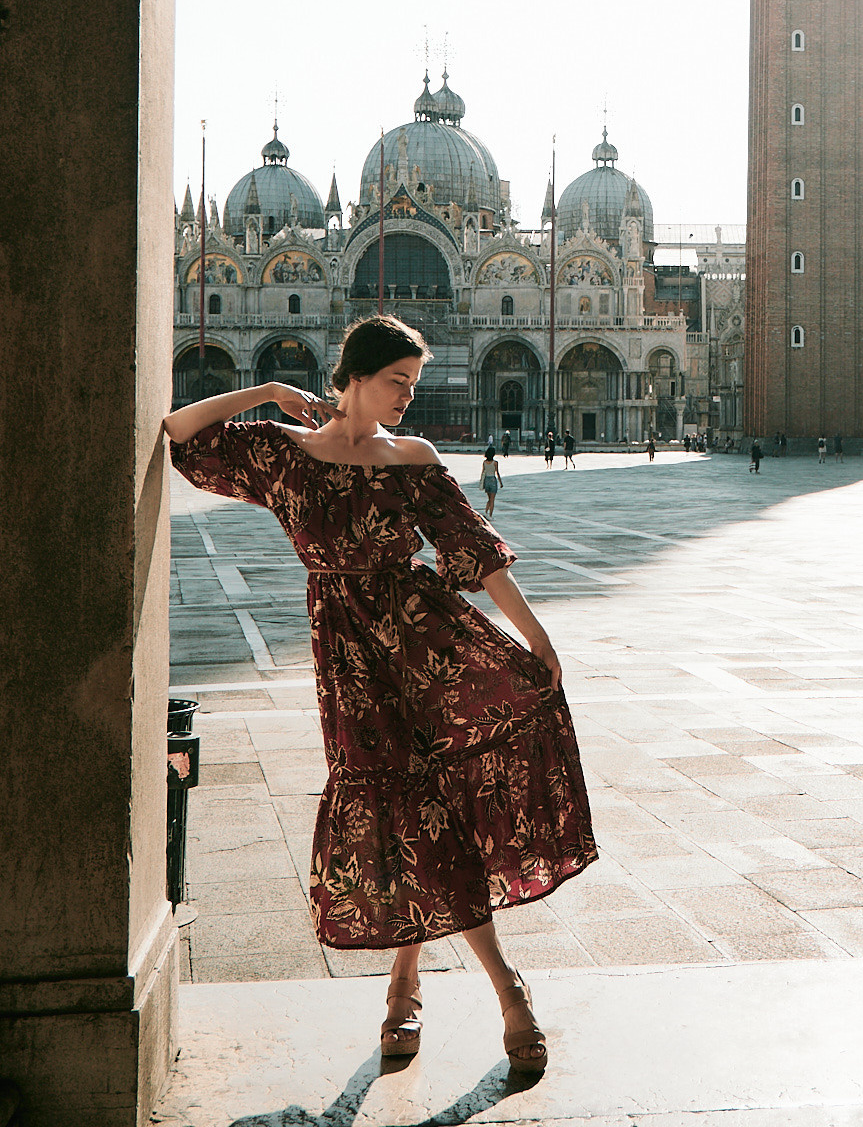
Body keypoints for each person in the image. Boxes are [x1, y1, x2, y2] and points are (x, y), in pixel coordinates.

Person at [163, 314, 596, 1073]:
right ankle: (435, 982)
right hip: (346, 656)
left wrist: (538, 641)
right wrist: (265, 389)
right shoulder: (282, 454)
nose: (406, 396)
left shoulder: (413, 457)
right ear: (355, 375)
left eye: (413, 384)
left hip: (427, 643)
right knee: (399, 808)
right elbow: (179, 429)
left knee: (428, 805)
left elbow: (477, 554)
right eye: (397, 381)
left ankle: (478, 991)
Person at [481, 442, 503, 518]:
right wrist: (500, 482)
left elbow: (483, 472)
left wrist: (482, 482)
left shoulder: (484, 462)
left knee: (489, 498)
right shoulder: (495, 463)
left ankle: (486, 511)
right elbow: (497, 473)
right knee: (492, 499)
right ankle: (490, 515)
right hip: (493, 480)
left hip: (486, 480)